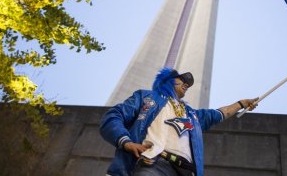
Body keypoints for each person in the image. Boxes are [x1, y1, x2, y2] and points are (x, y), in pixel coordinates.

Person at [100, 67, 258, 176]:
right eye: (181, 79)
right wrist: (125, 142)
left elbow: (218, 114)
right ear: (167, 81)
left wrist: (241, 103)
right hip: (154, 163)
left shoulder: (192, 115)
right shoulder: (147, 97)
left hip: (188, 171)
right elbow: (113, 116)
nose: (186, 83)